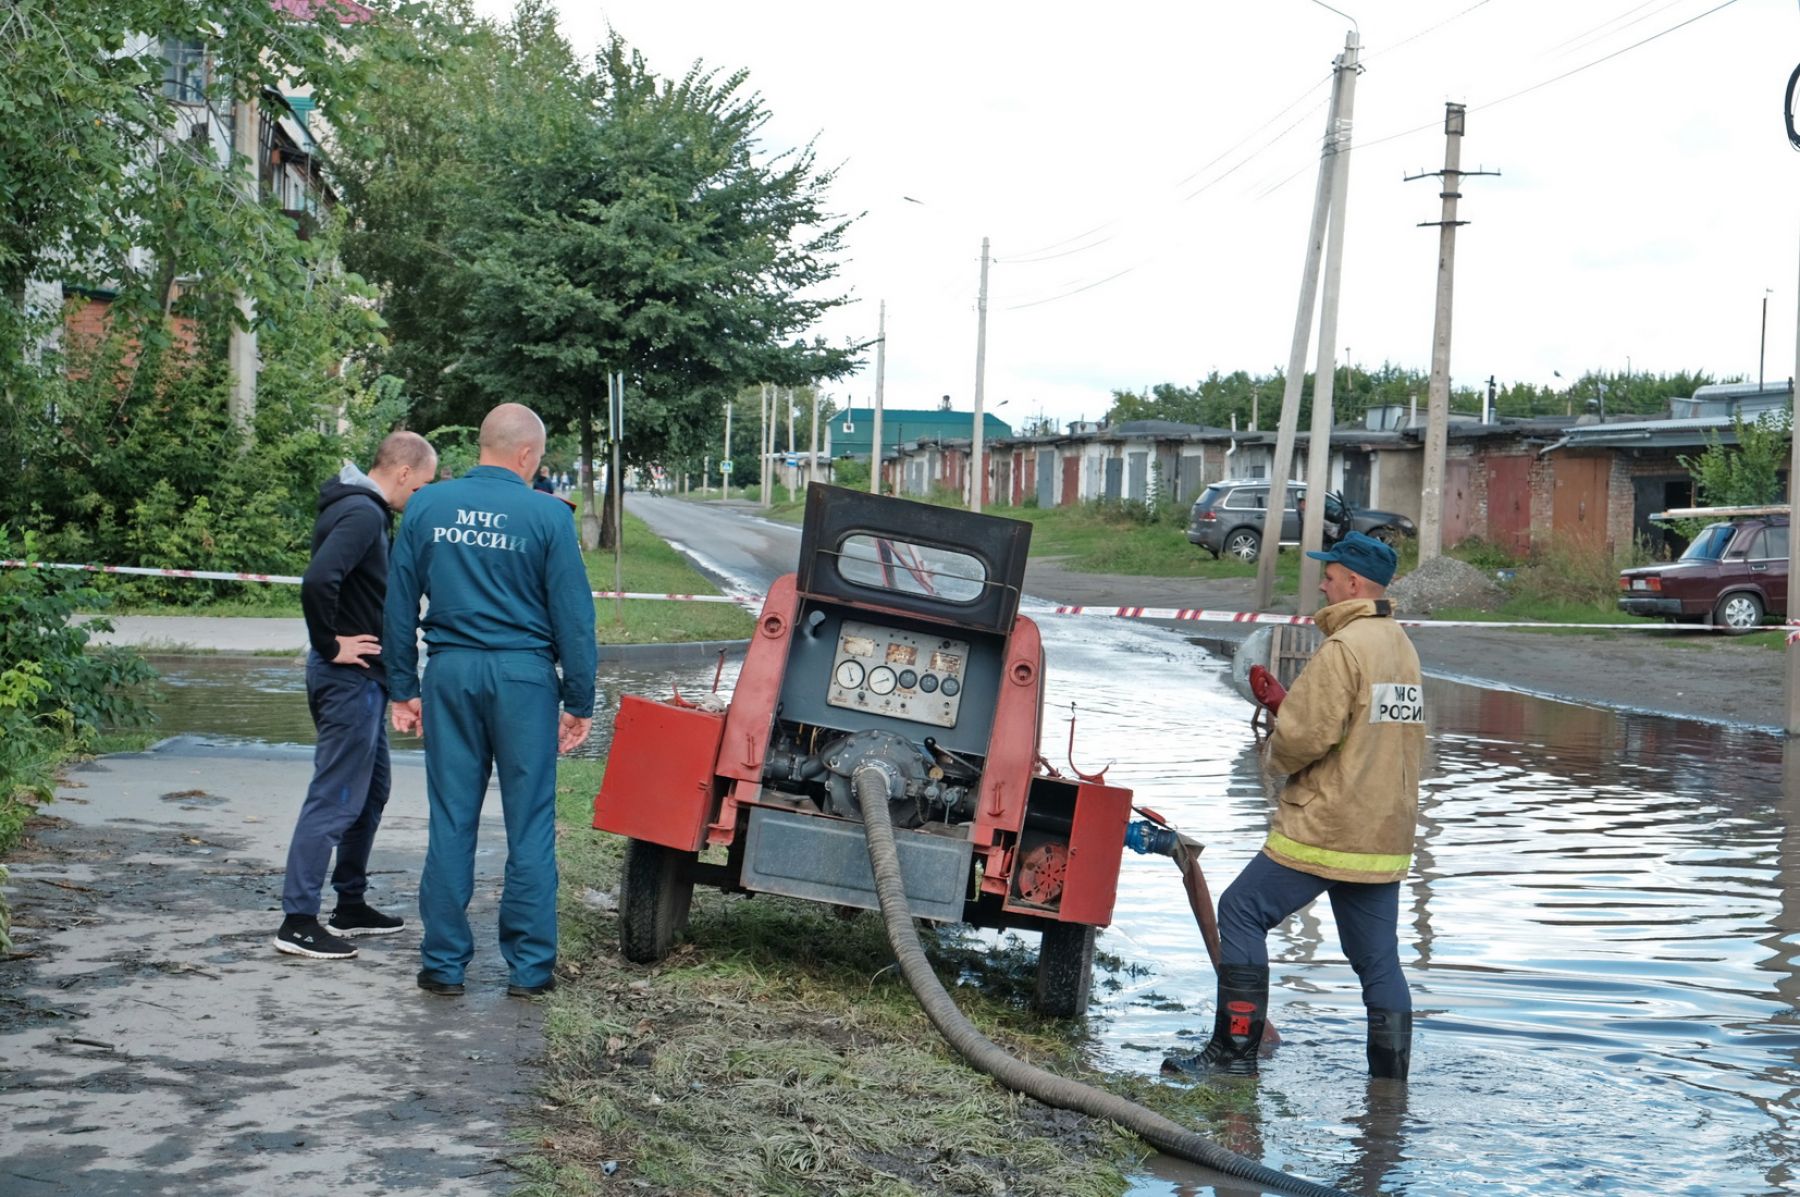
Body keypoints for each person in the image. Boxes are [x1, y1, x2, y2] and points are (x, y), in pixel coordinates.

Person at [1164, 531, 1424, 1081]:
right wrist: (1296, 707)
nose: (1322, 584)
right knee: (1378, 963)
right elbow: (1372, 732)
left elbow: (1305, 740)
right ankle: (1390, 1087)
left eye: (1329, 575)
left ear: (1354, 582)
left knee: (1240, 911)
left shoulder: (1345, 648)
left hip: (1329, 822)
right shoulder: (1400, 645)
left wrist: (1279, 734)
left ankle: (1233, 1057)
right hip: (1383, 834)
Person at [384, 403, 598, 998]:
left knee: (452, 819)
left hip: (450, 674)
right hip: (525, 680)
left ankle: (443, 966)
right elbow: (575, 620)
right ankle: (529, 972)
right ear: (527, 455)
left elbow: (398, 604)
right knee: (529, 824)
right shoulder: (548, 517)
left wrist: (403, 688)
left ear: (483, 446)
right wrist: (579, 700)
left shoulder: (427, 505)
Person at [274, 430, 437, 960]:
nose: (421, 498)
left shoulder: (362, 509)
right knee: (336, 796)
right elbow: (319, 580)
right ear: (404, 473)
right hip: (346, 681)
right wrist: (331, 643)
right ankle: (297, 921)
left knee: (370, 793)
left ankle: (350, 904)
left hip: (365, 681)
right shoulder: (364, 513)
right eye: (424, 486)